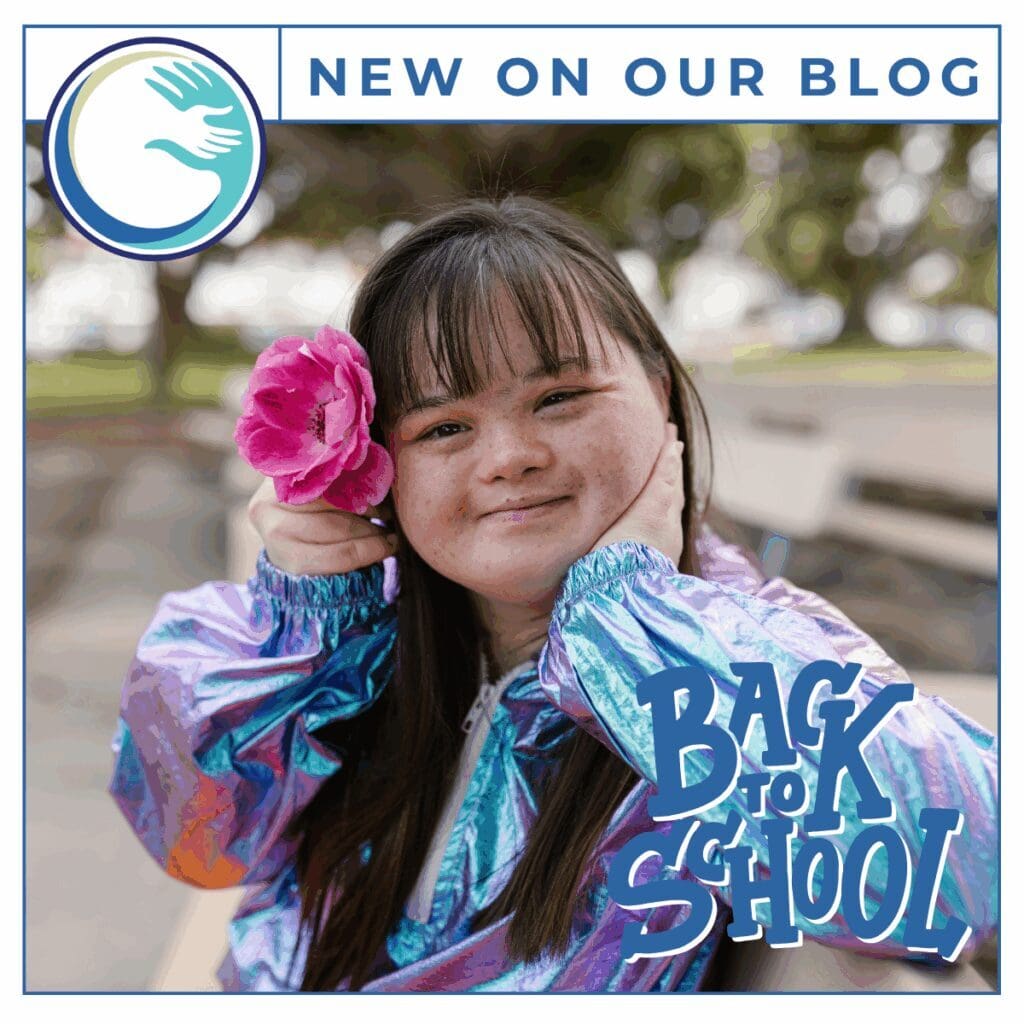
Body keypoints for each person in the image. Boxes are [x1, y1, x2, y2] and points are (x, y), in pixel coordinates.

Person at [108, 195, 998, 993]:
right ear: (375, 469)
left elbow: (965, 877)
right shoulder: (359, 650)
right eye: (445, 425)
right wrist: (303, 630)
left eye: (560, 397)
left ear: (659, 395)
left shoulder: (741, 652)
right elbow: (194, 836)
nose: (509, 456)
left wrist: (633, 624)